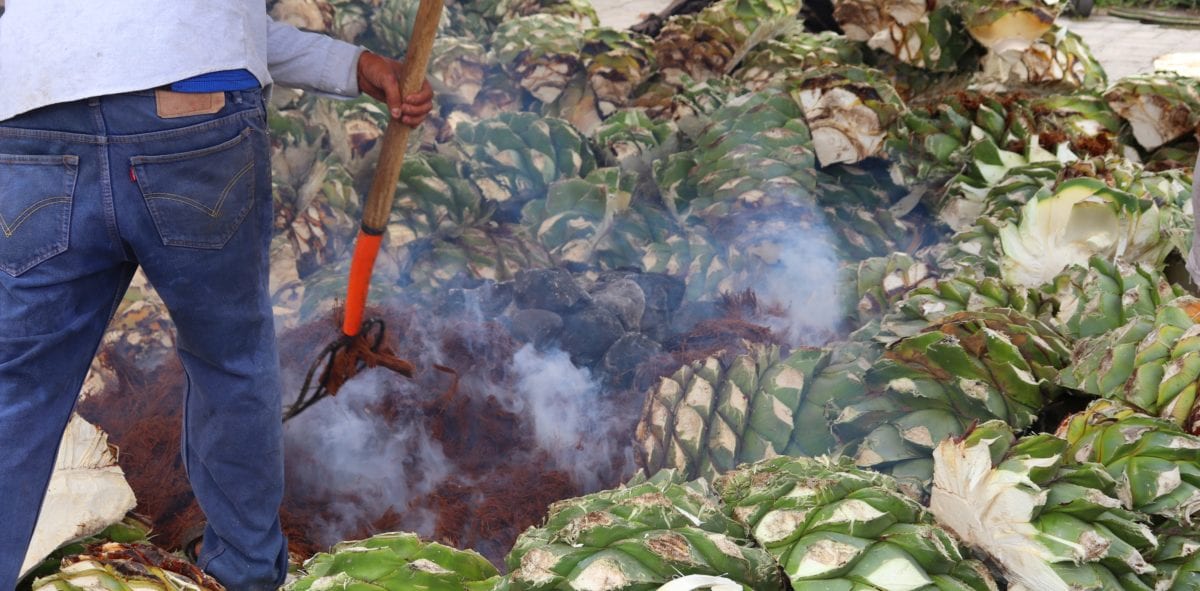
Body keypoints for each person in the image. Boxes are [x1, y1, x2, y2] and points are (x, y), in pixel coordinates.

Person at [0, 3, 433, 590]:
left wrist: (354, 65)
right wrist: (354, 64)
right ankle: (245, 575)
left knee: (17, 388)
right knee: (229, 363)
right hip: (192, 111)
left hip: (33, 111)